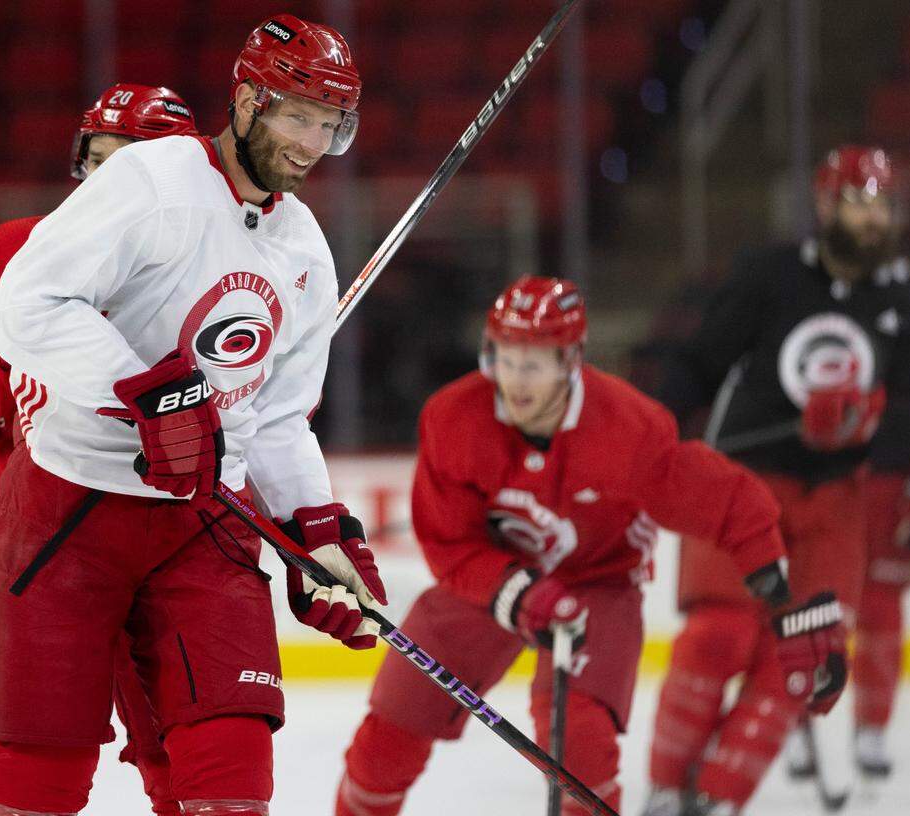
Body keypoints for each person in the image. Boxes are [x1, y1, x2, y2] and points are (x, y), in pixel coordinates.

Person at [0, 14, 382, 816]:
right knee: (40, 777)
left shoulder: (303, 246)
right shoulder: (155, 180)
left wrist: (319, 530)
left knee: (232, 764)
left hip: (206, 519)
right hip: (73, 509)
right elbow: (23, 308)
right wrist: (155, 393)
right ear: (246, 101)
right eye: (296, 115)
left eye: (329, 124)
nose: (310, 142)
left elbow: (275, 421)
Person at [333, 275, 842, 816]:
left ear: (570, 360)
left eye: (534, 362)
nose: (515, 379)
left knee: (579, 744)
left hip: (598, 581)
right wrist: (515, 591)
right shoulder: (453, 419)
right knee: (393, 726)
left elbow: (729, 504)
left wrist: (785, 600)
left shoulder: (629, 429)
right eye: (505, 358)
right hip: (488, 581)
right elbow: (450, 543)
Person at [641, 145, 910, 815]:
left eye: (881, 206)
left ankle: (720, 798)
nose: (871, 219)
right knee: (718, 636)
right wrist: (647, 436)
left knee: (806, 653)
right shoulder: (770, 276)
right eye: (857, 202)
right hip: (741, 487)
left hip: (835, 502)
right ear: (825, 205)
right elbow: (698, 364)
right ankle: (667, 793)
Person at [0, 83, 201, 816]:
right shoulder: (12, 254)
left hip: (154, 540)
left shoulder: (209, 278)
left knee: (185, 768)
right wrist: (39, 330)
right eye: (98, 162)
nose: (109, 185)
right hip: (9, 544)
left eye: (132, 168)